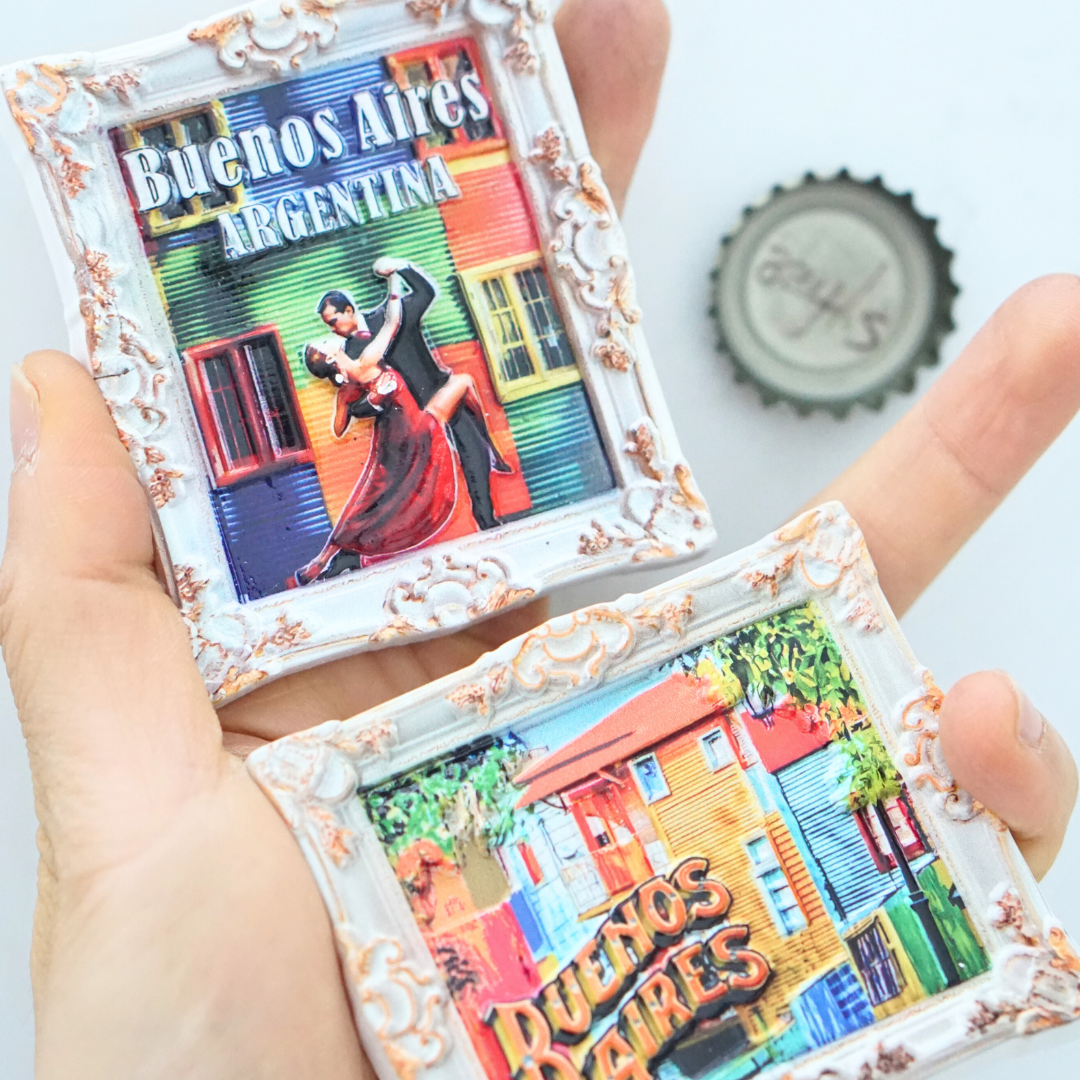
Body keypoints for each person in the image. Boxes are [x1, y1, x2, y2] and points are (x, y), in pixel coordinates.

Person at [1, 2, 1076, 1077]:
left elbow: (407, 327)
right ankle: (415, 514)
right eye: (329, 334)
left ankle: (470, 490)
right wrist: (384, 325)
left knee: (454, 419)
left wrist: (398, 305)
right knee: (399, 477)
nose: (336, 334)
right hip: (405, 439)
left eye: (336, 325)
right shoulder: (352, 364)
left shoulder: (377, 338)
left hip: (424, 427)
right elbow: (377, 362)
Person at [288, 272, 506, 585]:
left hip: (392, 436)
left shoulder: (349, 380)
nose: (330, 334)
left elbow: (339, 427)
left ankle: (323, 561)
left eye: (331, 325)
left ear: (348, 310)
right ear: (331, 356)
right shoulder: (364, 361)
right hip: (416, 427)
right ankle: (491, 449)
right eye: (325, 340)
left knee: (368, 498)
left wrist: (353, 401)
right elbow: (392, 323)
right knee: (464, 382)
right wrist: (392, 285)